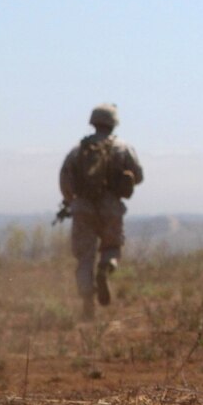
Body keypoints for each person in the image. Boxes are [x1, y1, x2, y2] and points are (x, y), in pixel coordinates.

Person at [58, 104, 144, 319]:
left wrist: (73, 202)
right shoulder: (123, 148)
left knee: (84, 257)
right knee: (112, 247)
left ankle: (88, 306)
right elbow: (139, 176)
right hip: (111, 208)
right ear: (113, 123)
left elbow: (65, 182)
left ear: (93, 122)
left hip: (83, 209)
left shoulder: (78, 150)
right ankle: (107, 266)